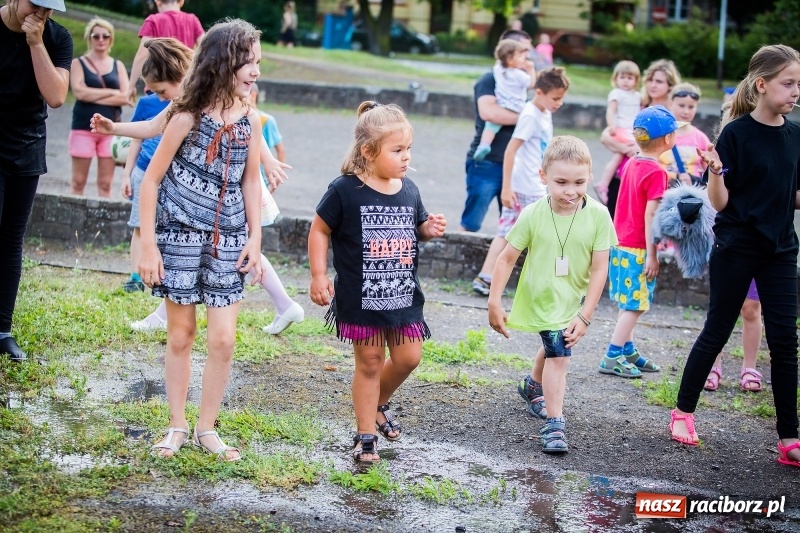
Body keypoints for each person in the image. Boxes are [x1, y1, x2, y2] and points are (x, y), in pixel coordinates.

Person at [92, 53, 299, 336]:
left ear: (182, 78)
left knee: (241, 250)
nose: (163, 98)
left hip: (232, 195)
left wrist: (268, 159)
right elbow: (152, 126)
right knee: (191, 253)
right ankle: (164, 314)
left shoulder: (230, 101)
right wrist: (114, 128)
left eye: (164, 91)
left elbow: (251, 127)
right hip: (204, 199)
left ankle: (284, 302)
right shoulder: (185, 108)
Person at [139, 19, 264, 462]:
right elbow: (150, 182)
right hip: (177, 235)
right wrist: (149, 245)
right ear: (223, 62)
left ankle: (207, 429)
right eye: (249, 61)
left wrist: (256, 238)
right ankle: (175, 426)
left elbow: (252, 182)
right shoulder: (186, 115)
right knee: (181, 333)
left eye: (258, 62)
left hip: (229, 238)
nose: (256, 70)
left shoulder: (250, 117)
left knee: (224, 339)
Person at [670, 46, 800, 467]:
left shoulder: (796, 134)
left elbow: (791, 197)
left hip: (780, 250)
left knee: (785, 343)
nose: (796, 91)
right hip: (737, 248)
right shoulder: (736, 134)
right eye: (788, 83)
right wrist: (715, 172)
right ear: (762, 85)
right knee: (717, 330)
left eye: (799, 84)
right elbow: (721, 204)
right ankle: (683, 412)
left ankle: (789, 437)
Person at [308, 101, 446, 463]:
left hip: (403, 297)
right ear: (368, 152)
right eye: (397, 150)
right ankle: (365, 433)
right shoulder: (344, 190)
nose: (406, 157)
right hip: (361, 298)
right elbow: (319, 229)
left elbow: (416, 229)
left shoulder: (409, 189)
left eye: (408, 150)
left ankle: (379, 404)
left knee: (409, 357)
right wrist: (319, 275)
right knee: (369, 363)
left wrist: (428, 230)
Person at [488, 135, 617, 453]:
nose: (570, 191)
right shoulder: (533, 213)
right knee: (559, 355)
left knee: (553, 343)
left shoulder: (599, 216)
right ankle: (555, 425)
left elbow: (600, 269)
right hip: (542, 296)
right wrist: (494, 301)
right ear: (543, 176)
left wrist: (585, 313)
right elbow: (506, 258)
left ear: (589, 177)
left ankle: (533, 386)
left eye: (579, 182)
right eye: (560, 182)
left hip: (572, 299)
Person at [0, 0, 72, 363]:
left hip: (26, 146)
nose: (42, 13)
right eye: (36, 3)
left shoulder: (56, 38)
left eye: (49, 7)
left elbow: (57, 96)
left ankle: (2, 330)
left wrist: (35, 44)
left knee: (11, 239)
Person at [471, 67, 570, 296]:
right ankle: (490, 278)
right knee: (524, 233)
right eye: (555, 98)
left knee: (516, 233)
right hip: (524, 187)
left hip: (536, 185)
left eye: (561, 99)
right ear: (539, 92)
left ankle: (489, 277)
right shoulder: (530, 115)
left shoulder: (544, 113)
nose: (559, 103)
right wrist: (506, 188)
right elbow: (510, 151)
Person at [599, 105, 680, 378]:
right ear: (668, 139)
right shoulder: (658, 172)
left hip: (619, 243)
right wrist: (652, 254)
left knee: (628, 301)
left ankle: (628, 350)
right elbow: (651, 215)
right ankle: (612, 354)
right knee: (636, 305)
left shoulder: (632, 162)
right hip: (638, 248)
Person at [120, 38, 190, 293]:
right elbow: (143, 132)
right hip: (146, 171)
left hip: (174, 176)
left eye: (160, 90)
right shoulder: (152, 103)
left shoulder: (188, 102)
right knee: (141, 226)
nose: (157, 96)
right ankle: (137, 277)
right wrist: (127, 174)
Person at [460, 29, 532, 233]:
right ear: (509, 51)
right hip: (487, 162)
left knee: (513, 226)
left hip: (515, 165)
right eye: (524, 50)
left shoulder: (519, 78)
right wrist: (528, 116)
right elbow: (489, 113)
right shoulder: (490, 79)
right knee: (471, 221)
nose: (528, 55)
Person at [599, 59, 681, 219]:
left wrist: (638, 150)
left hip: (653, 178)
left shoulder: (671, 114)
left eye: (659, 81)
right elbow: (605, 137)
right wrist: (628, 150)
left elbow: (673, 145)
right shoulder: (638, 105)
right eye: (650, 79)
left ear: (670, 86)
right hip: (623, 174)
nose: (653, 85)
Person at [69, 17, 130, 198]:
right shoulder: (78, 63)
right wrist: (112, 93)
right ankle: (73, 225)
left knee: (105, 184)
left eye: (105, 36)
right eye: (96, 36)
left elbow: (125, 97)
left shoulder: (117, 65)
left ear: (111, 39)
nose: (101, 40)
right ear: (90, 38)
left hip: (109, 129)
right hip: (83, 126)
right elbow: (79, 93)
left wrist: (91, 94)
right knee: (78, 181)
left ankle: (102, 226)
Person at [127, 0, 203, 103]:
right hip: (184, 89)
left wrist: (131, 86)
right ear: (181, 1)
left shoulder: (153, 20)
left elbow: (142, 55)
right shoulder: (192, 20)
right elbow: (206, 48)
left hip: (158, 90)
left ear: (158, 2)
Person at [472, 39, 535, 161]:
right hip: (517, 106)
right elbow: (531, 83)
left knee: (490, 127)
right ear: (511, 60)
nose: (525, 58)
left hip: (503, 103)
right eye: (521, 56)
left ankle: (484, 145)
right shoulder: (519, 75)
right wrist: (531, 70)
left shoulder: (499, 71)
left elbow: (499, 62)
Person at [596, 60, 641, 204]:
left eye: (630, 78)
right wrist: (611, 125)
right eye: (622, 77)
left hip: (633, 131)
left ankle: (606, 184)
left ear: (635, 80)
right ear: (615, 79)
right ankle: (603, 184)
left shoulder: (638, 96)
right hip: (621, 129)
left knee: (620, 156)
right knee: (618, 157)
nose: (626, 81)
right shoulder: (616, 93)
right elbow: (611, 110)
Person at [658, 82, 711, 186]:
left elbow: (709, 173)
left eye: (691, 107)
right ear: (670, 103)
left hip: (691, 196)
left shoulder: (701, 138)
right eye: (681, 105)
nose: (686, 111)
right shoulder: (659, 134)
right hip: (662, 193)